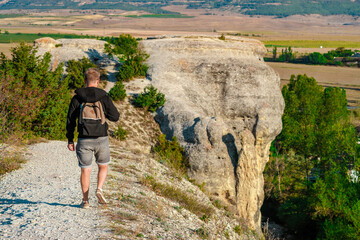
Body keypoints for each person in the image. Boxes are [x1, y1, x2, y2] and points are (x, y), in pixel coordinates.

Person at [66, 68, 120, 208]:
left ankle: (85, 201)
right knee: (103, 166)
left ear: (85, 81)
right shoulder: (103, 97)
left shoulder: (77, 98)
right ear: (98, 81)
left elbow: (70, 120)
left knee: (85, 169)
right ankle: (99, 189)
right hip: (101, 138)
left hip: (84, 139)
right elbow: (115, 117)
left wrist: (70, 139)